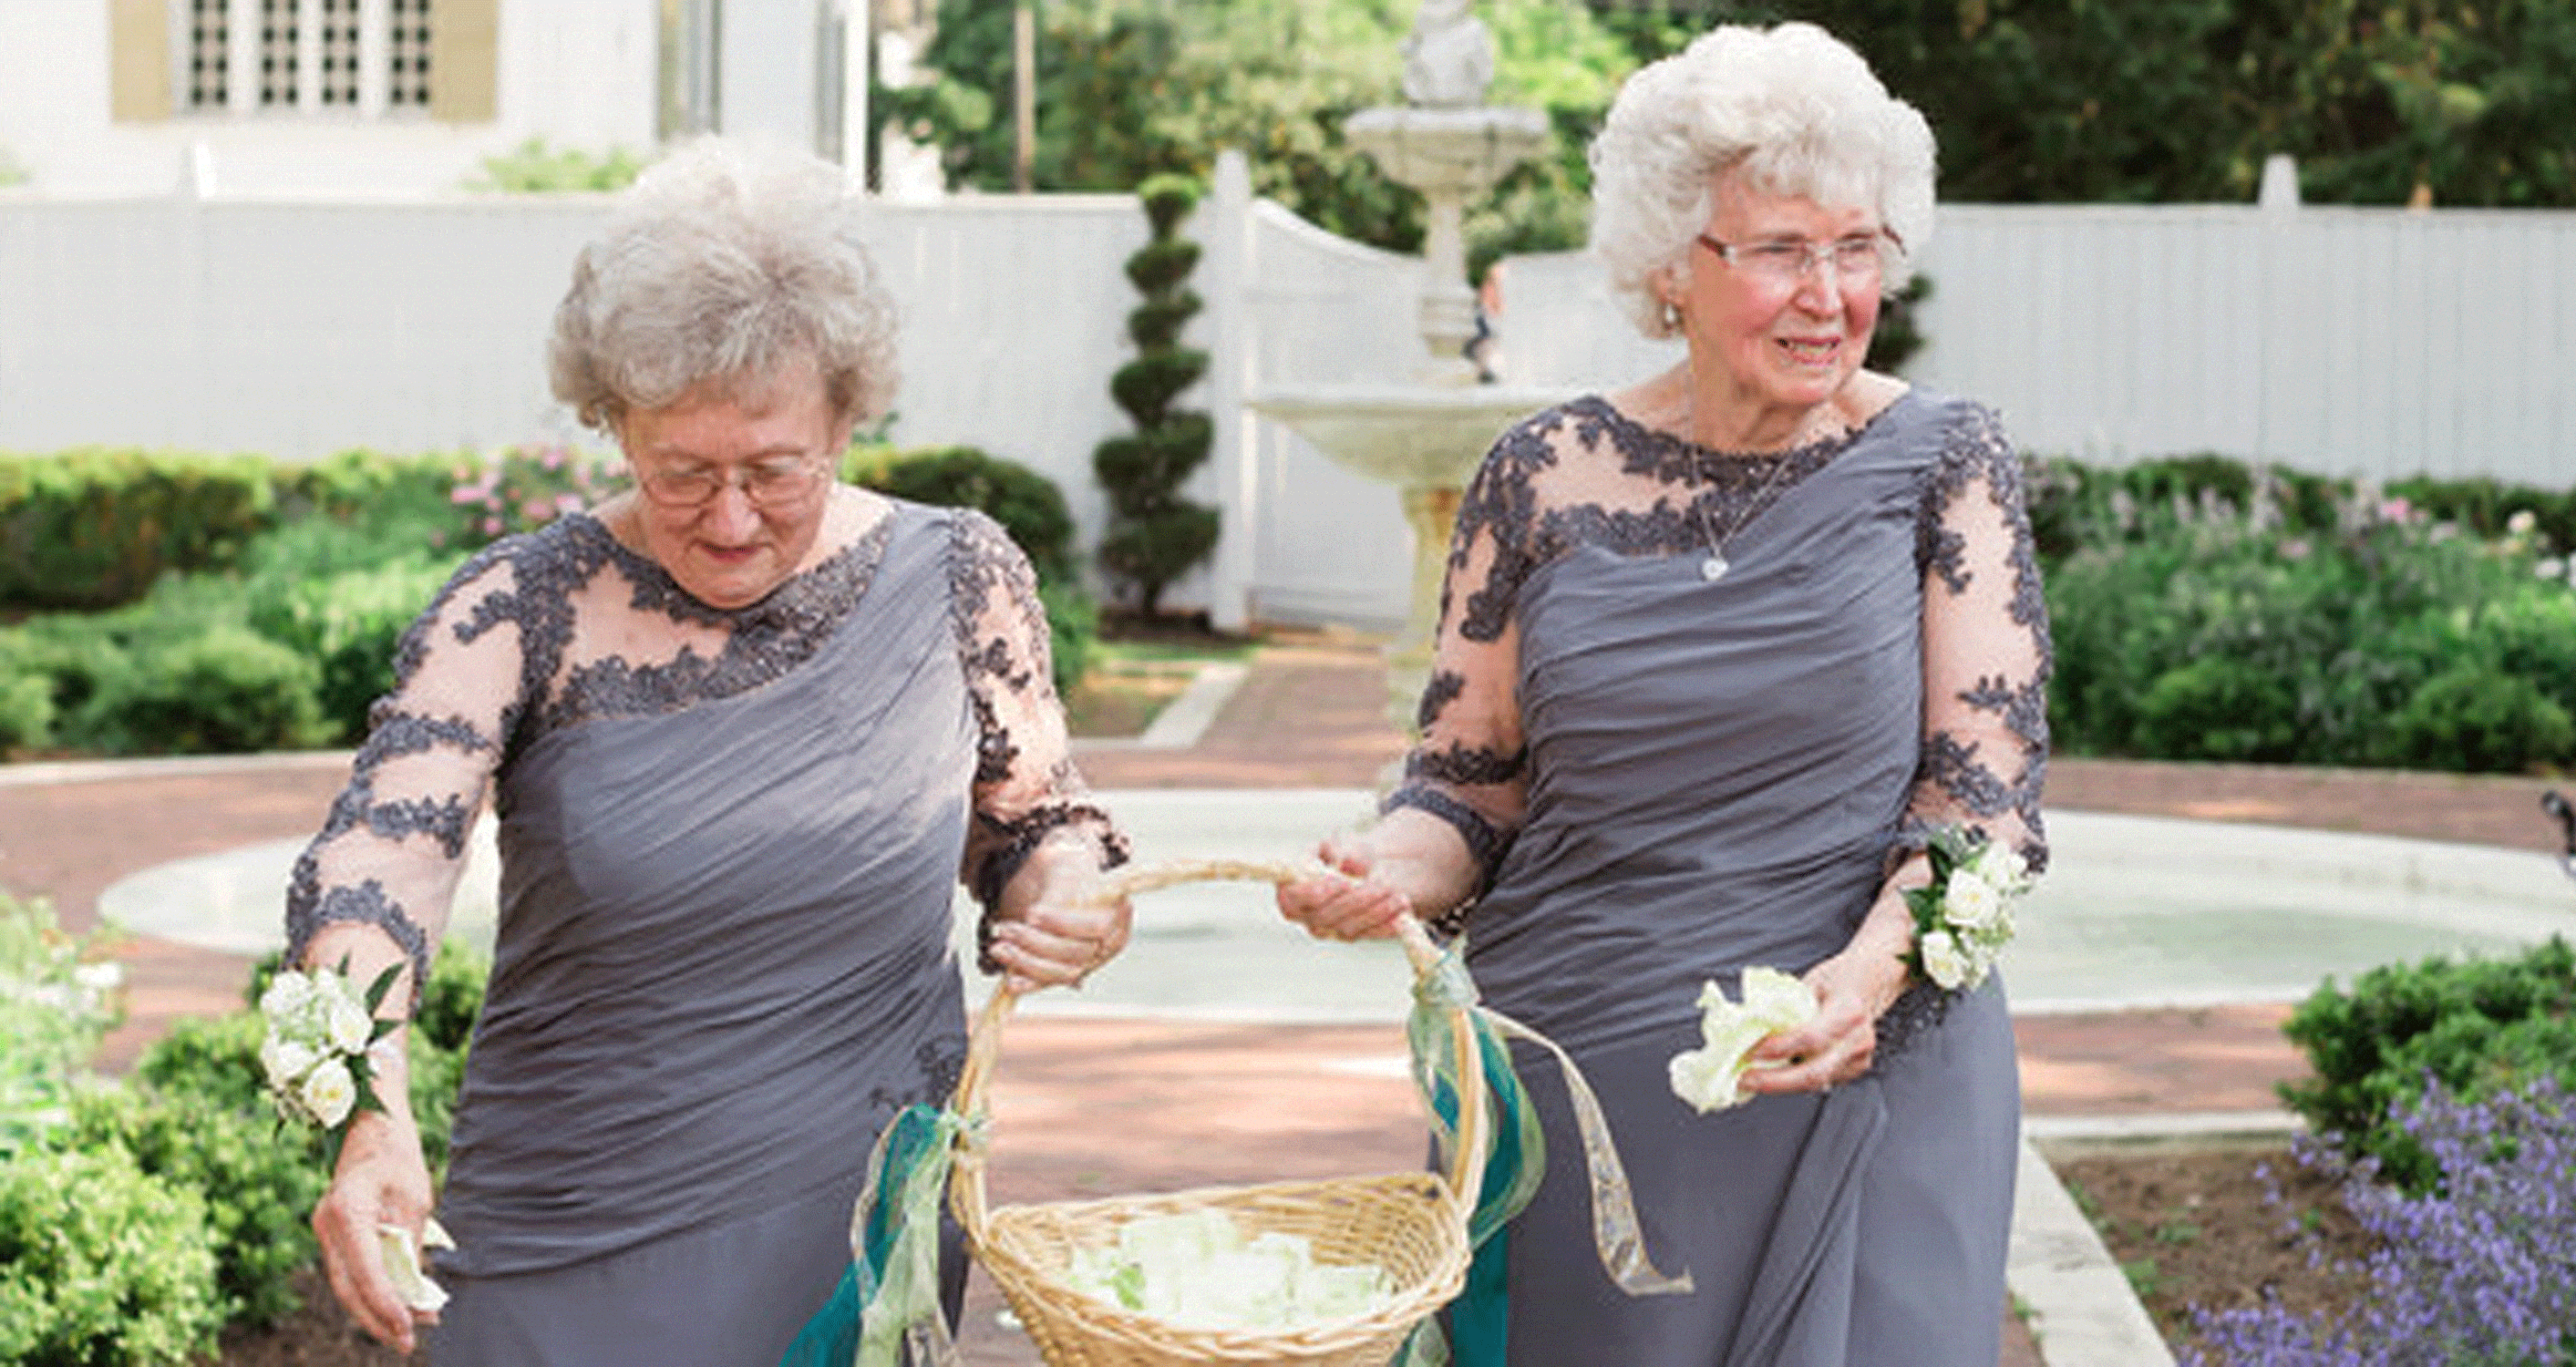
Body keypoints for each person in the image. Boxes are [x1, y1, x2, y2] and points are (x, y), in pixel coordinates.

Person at [283, 139, 1131, 1364]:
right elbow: (369, 871)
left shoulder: (960, 576)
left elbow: (1037, 825)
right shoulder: (518, 608)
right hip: (561, 1236)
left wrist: (1073, 899)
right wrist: (366, 1118)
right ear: (613, 421)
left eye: (773, 471)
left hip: (854, 1231)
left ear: (846, 414)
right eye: (681, 471)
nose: (730, 520)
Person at [1277, 23, 2048, 1365]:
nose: (1827, 295)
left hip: (1865, 1063)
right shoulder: (1539, 476)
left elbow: (1981, 799)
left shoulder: (1944, 459)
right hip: (1583, 1087)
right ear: (1666, 268)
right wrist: (1383, 870)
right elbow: (1465, 786)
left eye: (1857, 249)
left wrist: (1860, 985)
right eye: (1778, 251)